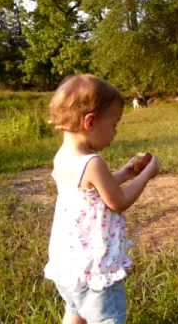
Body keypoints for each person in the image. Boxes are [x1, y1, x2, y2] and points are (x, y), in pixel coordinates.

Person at [44, 74, 159, 324]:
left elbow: (93, 190)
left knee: (75, 311)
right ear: (90, 121)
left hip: (67, 263)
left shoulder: (63, 156)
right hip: (93, 267)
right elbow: (117, 201)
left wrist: (127, 172)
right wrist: (147, 175)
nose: (115, 131)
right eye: (114, 123)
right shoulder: (93, 162)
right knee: (107, 317)